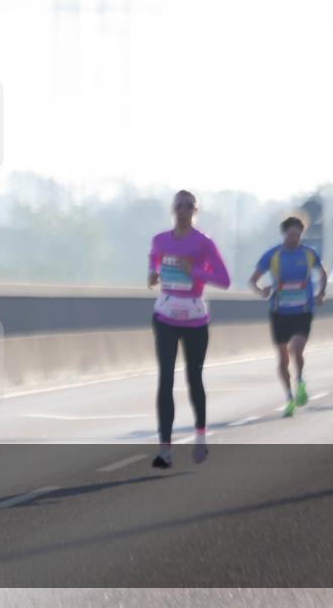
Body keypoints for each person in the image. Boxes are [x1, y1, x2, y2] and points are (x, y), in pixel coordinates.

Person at [147, 190, 231, 469]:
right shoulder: (160, 240)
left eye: (188, 206)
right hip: (165, 315)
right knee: (165, 379)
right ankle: (165, 450)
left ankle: (200, 436)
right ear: (173, 209)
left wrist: (194, 271)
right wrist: (152, 274)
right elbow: (154, 260)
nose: (183, 210)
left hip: (195, 318)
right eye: (179, 206)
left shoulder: (204, 244)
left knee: (194, 378)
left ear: (196, 211)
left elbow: (224, 280)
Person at [248, 216, 327, 417]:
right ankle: (289, 398)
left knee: (296, 349)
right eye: (290, 234)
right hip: (279, 312)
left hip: (303, 311)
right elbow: (253, 280)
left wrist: (321, 292)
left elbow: (323, 273)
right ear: (284, 234)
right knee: (283, 359)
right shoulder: (273, 255)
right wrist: (261, 291)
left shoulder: (309, 254)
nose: (294, 238)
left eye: (297, 234)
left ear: (302, 234)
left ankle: (299, 380)